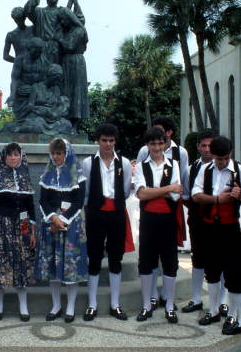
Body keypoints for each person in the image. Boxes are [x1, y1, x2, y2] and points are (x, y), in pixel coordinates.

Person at [191, 136, 241, 330]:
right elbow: (195, 195)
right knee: (212, 270)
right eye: (219, 159)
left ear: (230, 154)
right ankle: (213, 309)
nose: (222, 162)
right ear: (213, 156)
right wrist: (217, 199)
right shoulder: (205, 170)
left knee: (233, 272)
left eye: (225, 158)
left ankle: (233, 314)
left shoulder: (240, 172)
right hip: (209, 226)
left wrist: (240, 195)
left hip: (230, 227)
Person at [135, 116, 189, 310]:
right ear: (147, 145)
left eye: (160, 143)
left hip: (168, 219)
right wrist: (167, 189)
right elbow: (141, 194)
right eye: (152, 144)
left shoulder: (173, 164)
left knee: (169, 259)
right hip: (148, 219)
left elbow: (177, 193)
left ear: (165, 143)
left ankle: (169, 305)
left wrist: (154, 191)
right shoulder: (141, 166)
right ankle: (146, 305)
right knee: (146, 260)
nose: (156, 148)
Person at [81, 123, 133, 321]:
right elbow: (85, 192)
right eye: (104, 140)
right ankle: (92, 304)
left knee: (115, 258)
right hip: (95, 214)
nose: (108, 144)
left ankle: (115, 304)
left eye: (111, 140)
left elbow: (126, 190)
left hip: (117, 214)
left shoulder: (125, 163)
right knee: (94, 258)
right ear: (98, 140)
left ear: (115, 141)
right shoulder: (87, 163)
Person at [35, 138, 88, 323]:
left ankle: (71, 307)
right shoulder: (48, 173)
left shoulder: (77, 174)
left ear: (67, 153)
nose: (56, 156)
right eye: (54, 153)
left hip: (71, 224)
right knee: (53, 267)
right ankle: (56, 305)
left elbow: (79, 201)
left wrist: (63, 219)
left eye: (60, 153)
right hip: (51, 223)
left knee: (70, 267)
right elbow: (43, 200)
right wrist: (53, 218)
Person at [0, 143, 36, 322]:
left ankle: (23, 305)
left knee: (22, 262)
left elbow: (30, 207)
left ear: (21, 156)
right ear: (4, 157)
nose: (13, 158)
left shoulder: (25, 176)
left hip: (22, 226)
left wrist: (32, 232)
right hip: (2, 225)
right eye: (10, 155)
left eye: (16, 154)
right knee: (1, 263)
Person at [182, 129, 229, 315]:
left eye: (211, 145)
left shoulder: (230, 168)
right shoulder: (192, 168)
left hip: (221, 222)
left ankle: (222, 301)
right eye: (204, 145)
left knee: (222, 260)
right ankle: (196, 298)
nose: (208, 149)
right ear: (198, 147)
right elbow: (186, 194)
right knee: (198, 259)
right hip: (197, 220)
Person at [24, 0, 84, 65]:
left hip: (57, 51)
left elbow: (80, 24)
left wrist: (75, 2)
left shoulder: (63, 11)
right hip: (40, 51)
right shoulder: (39, 12)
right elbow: (27, 10)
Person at [57, 7, 88, 128]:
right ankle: (64, 118)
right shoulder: (67, 30)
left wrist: (58, 37)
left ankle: (74, 125)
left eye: (63, 19)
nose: (62, 22)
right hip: (66, 62)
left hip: (76, 62)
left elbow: (69, 45)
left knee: (76, 92)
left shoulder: (79, 30)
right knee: (65, 91)